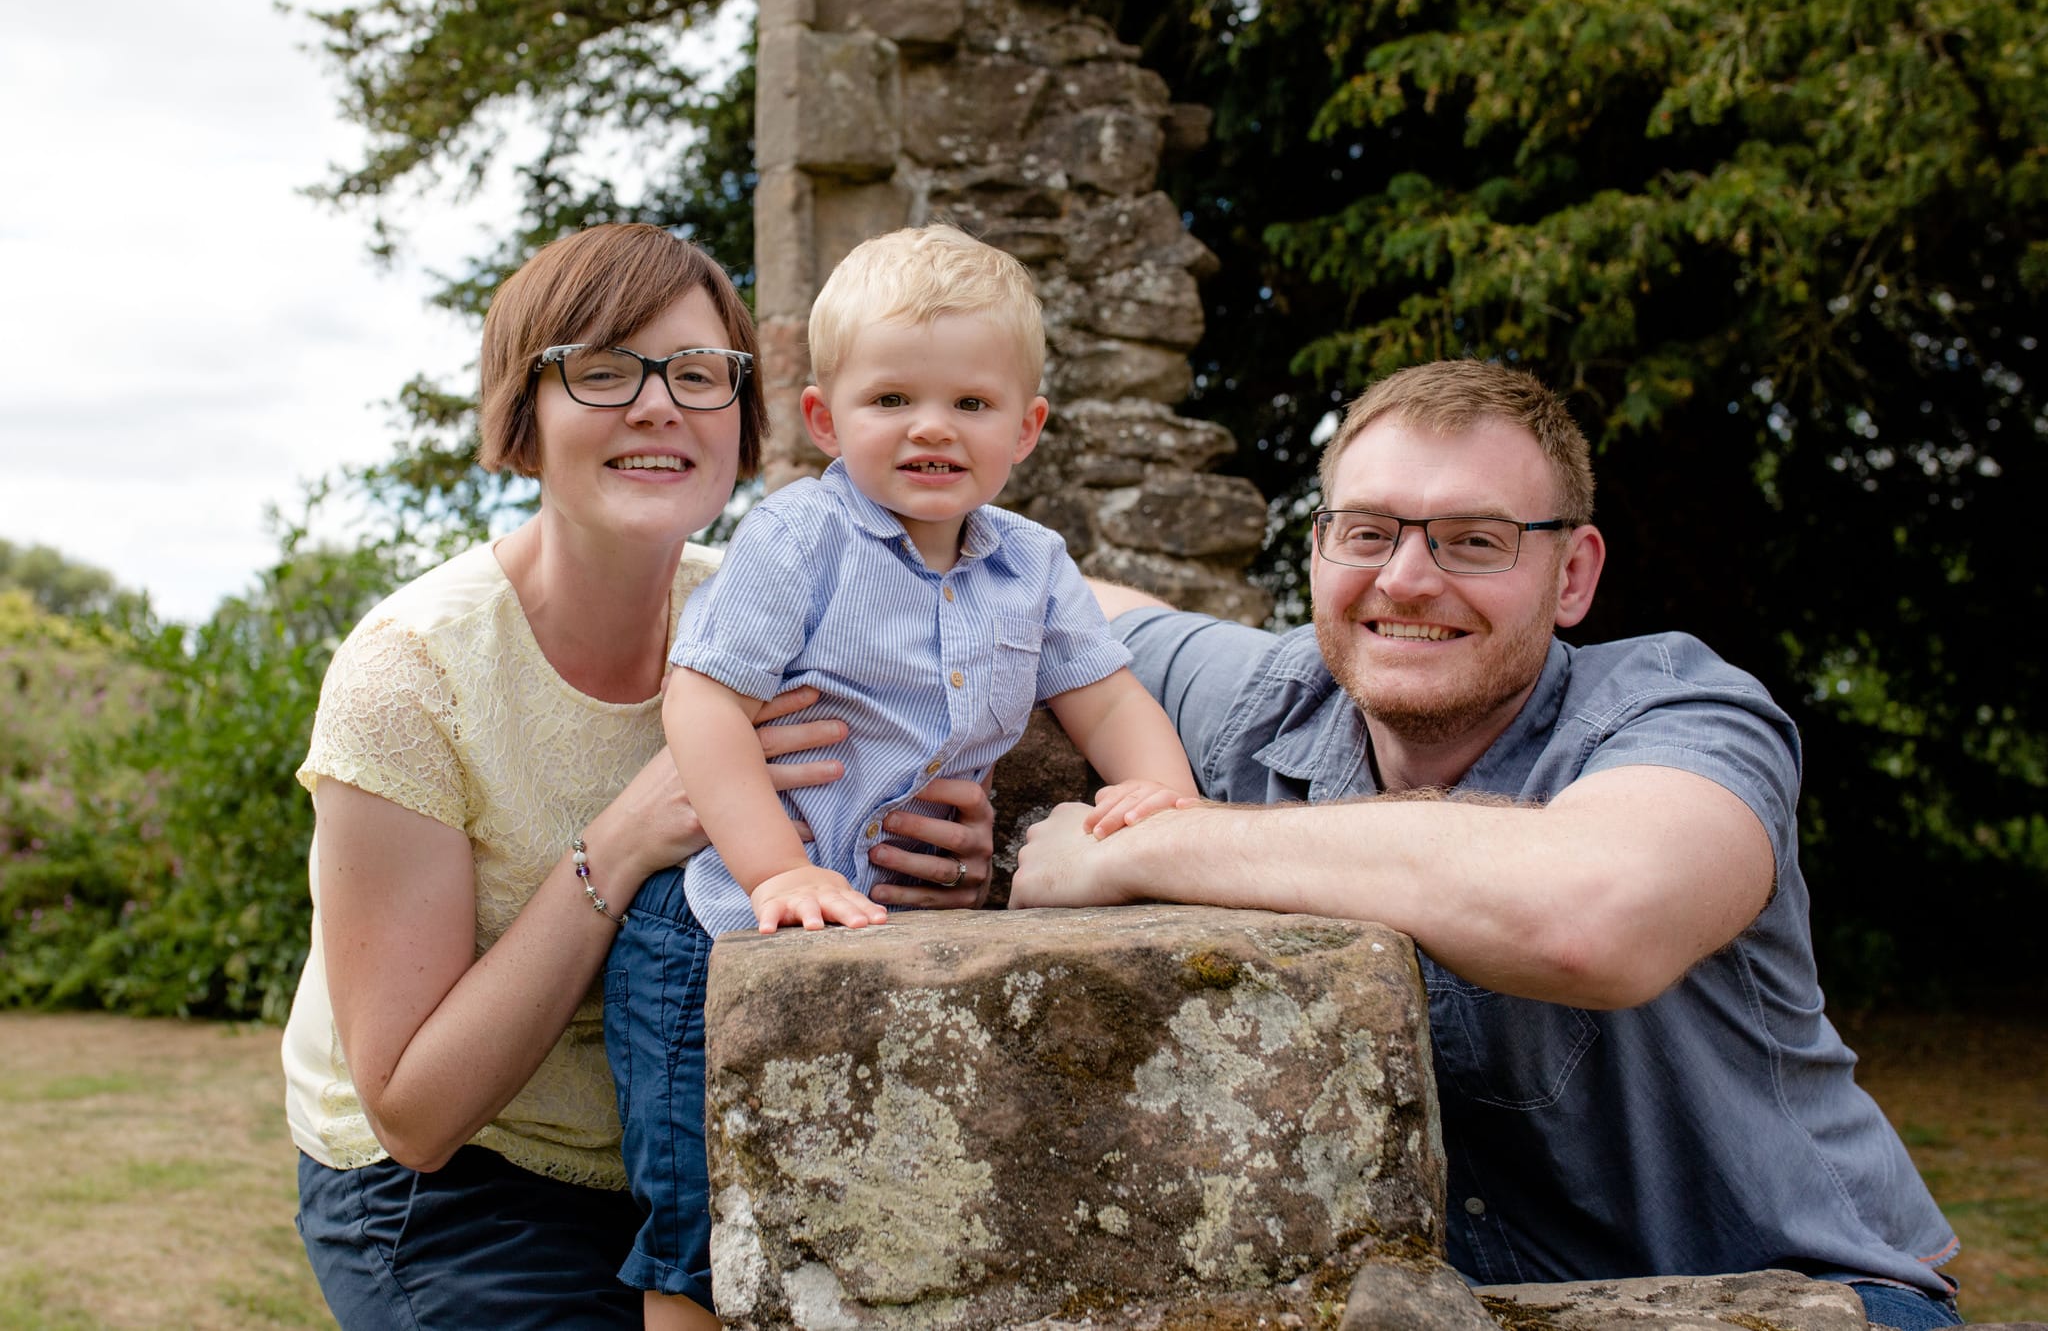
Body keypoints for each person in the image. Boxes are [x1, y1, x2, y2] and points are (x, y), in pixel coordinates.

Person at [1011, 360, 1964, 1330]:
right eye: (1366, 531)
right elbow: (1042, 587)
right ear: (1316, 546)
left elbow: (1592, 917)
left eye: (1474, 541)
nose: (1405, 579)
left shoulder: (1682, 714)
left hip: (1802, 1294)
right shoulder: (1266, 695)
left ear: (1572, 574)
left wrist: (1142, 845)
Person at [282, 224, 997, 1331]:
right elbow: (413, 1114)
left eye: (699, 375)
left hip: (699, 1159)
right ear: (523, 418)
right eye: (602, 370)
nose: (659, 406)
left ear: (745, 419)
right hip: (454, 1190)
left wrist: (936, 856)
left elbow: (1061, 616)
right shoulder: (410, 676)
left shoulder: (774, 616)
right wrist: (626, 834)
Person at [608, 222, 1199, 1328]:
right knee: (698, 1221)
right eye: (890, 402)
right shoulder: (796, 539)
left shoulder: (1033, 564)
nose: (931, 427)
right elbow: (700, 698)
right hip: (715, 924)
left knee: (849, 1203)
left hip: (877, 925)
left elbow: (1108, 699)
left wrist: (1159, 799)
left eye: (970, 405)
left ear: (1024, 429)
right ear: (826, 419)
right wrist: (776, 869)